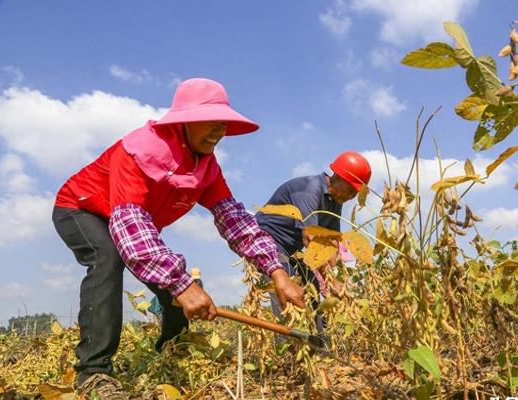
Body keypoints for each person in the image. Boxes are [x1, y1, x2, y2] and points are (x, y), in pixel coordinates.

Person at [52, 78, 305, 398]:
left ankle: (172, 351)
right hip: (82, 209)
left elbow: (236, 221)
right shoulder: (137, 151)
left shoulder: (206, 168)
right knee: (108, 258)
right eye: (211, 123)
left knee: (171, 281)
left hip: (132, 224)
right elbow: (130, 222)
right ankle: (93, 372)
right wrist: (182, 286)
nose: (220, 132)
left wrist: (277, 271)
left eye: (223, 124)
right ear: (185, 122)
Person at [255, 152, 371, 335]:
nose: (352, 197)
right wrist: (329, 279)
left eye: (356, 193)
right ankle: (289, 352)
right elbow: (311, 238)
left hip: (292, 250)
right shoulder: (309, 190)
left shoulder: (335, 199)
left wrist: (337, 279)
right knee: (288, 290)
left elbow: (331, 241)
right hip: (268, 242)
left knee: (314, 289)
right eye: (351, 190)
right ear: (338, 178)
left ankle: (319, 346)